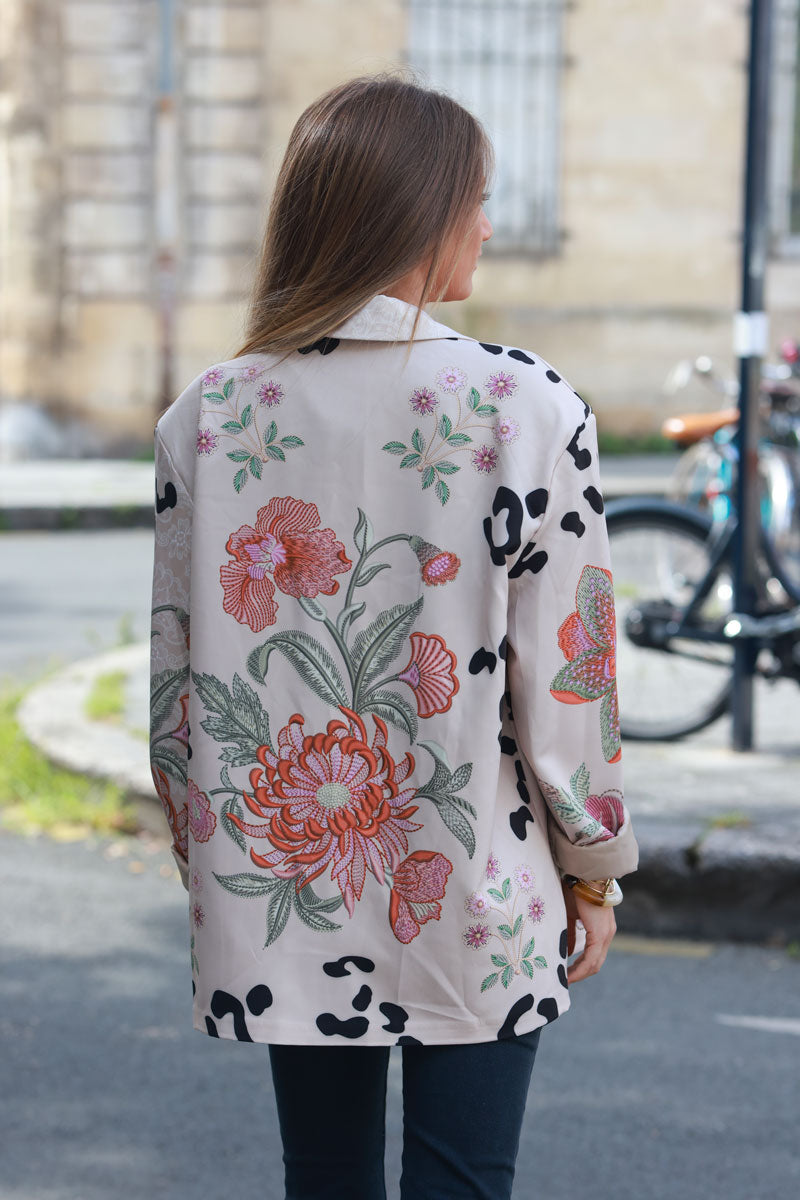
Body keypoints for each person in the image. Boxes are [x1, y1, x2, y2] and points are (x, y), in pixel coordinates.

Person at [149, 74, 639, 1200]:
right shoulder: (525, 407)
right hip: (474, 874)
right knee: (464, 1182)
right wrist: (594, 869)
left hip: (281, 871)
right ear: (417, 213)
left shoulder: (210, 414)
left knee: (319, 1179)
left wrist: (210, 855)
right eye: (476, 199)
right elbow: (572, 677)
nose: (483, 224)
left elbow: (179, 695)